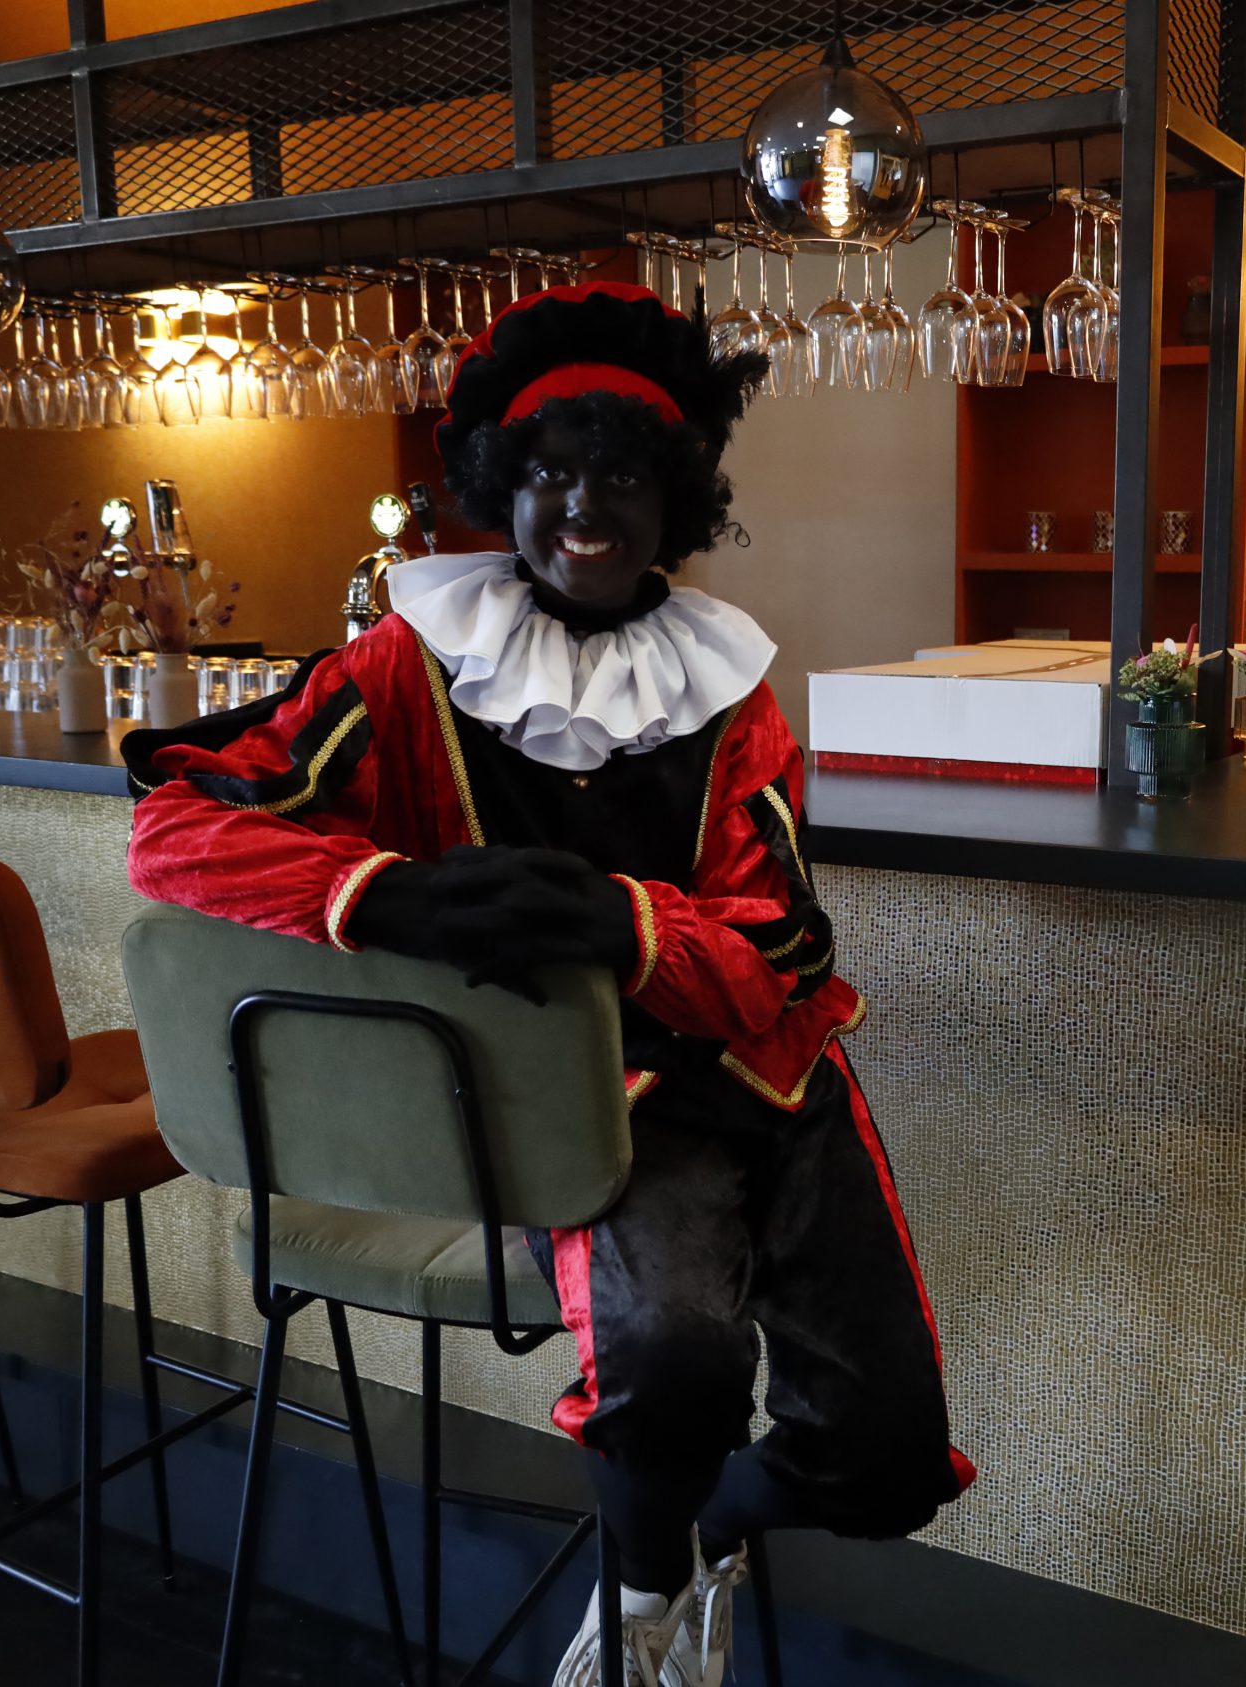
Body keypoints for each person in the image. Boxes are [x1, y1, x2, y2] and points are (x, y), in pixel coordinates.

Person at [126, 279, 973, 1687]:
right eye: (550, 476)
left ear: (675, 502)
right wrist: (385, 893)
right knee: (677, 1364)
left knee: (884, 1459)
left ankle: (695, 1529)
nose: (585, 508)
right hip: (574, 1098)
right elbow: (178, 826)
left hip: (766, 1079)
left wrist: (620, 925)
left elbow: (779, 948)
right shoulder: (407, 667)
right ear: (501, 490)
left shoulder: (732, 695)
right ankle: (641, 1594)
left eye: (623, 477)